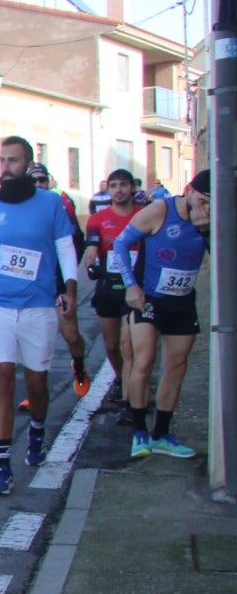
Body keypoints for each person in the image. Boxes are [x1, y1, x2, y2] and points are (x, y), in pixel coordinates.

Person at [0, 137, 78, 495]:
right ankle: (2, 466)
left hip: (38, 305)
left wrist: (69, 288)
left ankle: (37, 430)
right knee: (3, 380)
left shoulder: (50, 203)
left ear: (28, 163)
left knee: (37, 383)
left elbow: (65, 249)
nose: (6, 166)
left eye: (14, 160)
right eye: (2, 159)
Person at [116, 170, 211, 459]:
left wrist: (207, 230)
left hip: (182, 301)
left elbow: (223, 258)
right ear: (189, 190)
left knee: (177, 365)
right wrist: (131, 286)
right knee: (143, 361)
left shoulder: (212, 220)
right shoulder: (159, 211)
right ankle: (139, 432)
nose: (204, 208)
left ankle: (162, 434)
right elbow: (120, 244)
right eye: (202, 200)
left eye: (210, 203)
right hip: (149, 298)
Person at [82, 169, 143, 418]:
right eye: (113, 186)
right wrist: (90, 262)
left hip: (135, 287)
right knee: (111, 345)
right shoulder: (98, 219)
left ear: (132, 188)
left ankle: (130, 399)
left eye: (123, 185)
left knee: (129, 346)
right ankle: (120, 377)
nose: (118, 190)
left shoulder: (144, 215)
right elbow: (91, 248)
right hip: (108, 286)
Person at [30, 162, 91, 397]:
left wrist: (68, 280)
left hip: (57, 283)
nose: (38, 185)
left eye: (42, 180)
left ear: (49, 182)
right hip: (33, 287)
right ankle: (35, 393)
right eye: (34, 180)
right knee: (36, 343)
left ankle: (79, 364)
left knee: (71, 335)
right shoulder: (20, 205)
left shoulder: (61, 202)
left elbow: (77, 241)